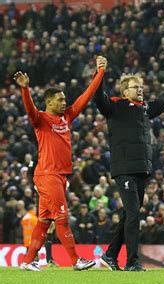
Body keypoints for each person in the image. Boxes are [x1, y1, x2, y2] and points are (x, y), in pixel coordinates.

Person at [94, 67, 164, 272]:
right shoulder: (116, 105)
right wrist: (100, 73)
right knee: (133, 213)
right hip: (124, 167)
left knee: (129, 214)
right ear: (124, 92)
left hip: (141, 167)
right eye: (135, 87)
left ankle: (110, 255)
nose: (140, 90)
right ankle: (132, 261)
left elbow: (162, 101)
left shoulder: (145, 108)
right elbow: (98, 97)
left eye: (141, 87)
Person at [15, 56, 106, 272]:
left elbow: (86, 96)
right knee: (62, 217)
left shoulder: (67, 117)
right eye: (60, 100)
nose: (64, 102)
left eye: (65, 99)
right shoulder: (41, 120)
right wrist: (25, 90)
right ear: (49, 102)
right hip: (48, 175)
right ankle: (76, 260)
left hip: (59, 175)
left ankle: (27, 261)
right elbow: (30, 110)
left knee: (45, 221)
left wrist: (100, 72)